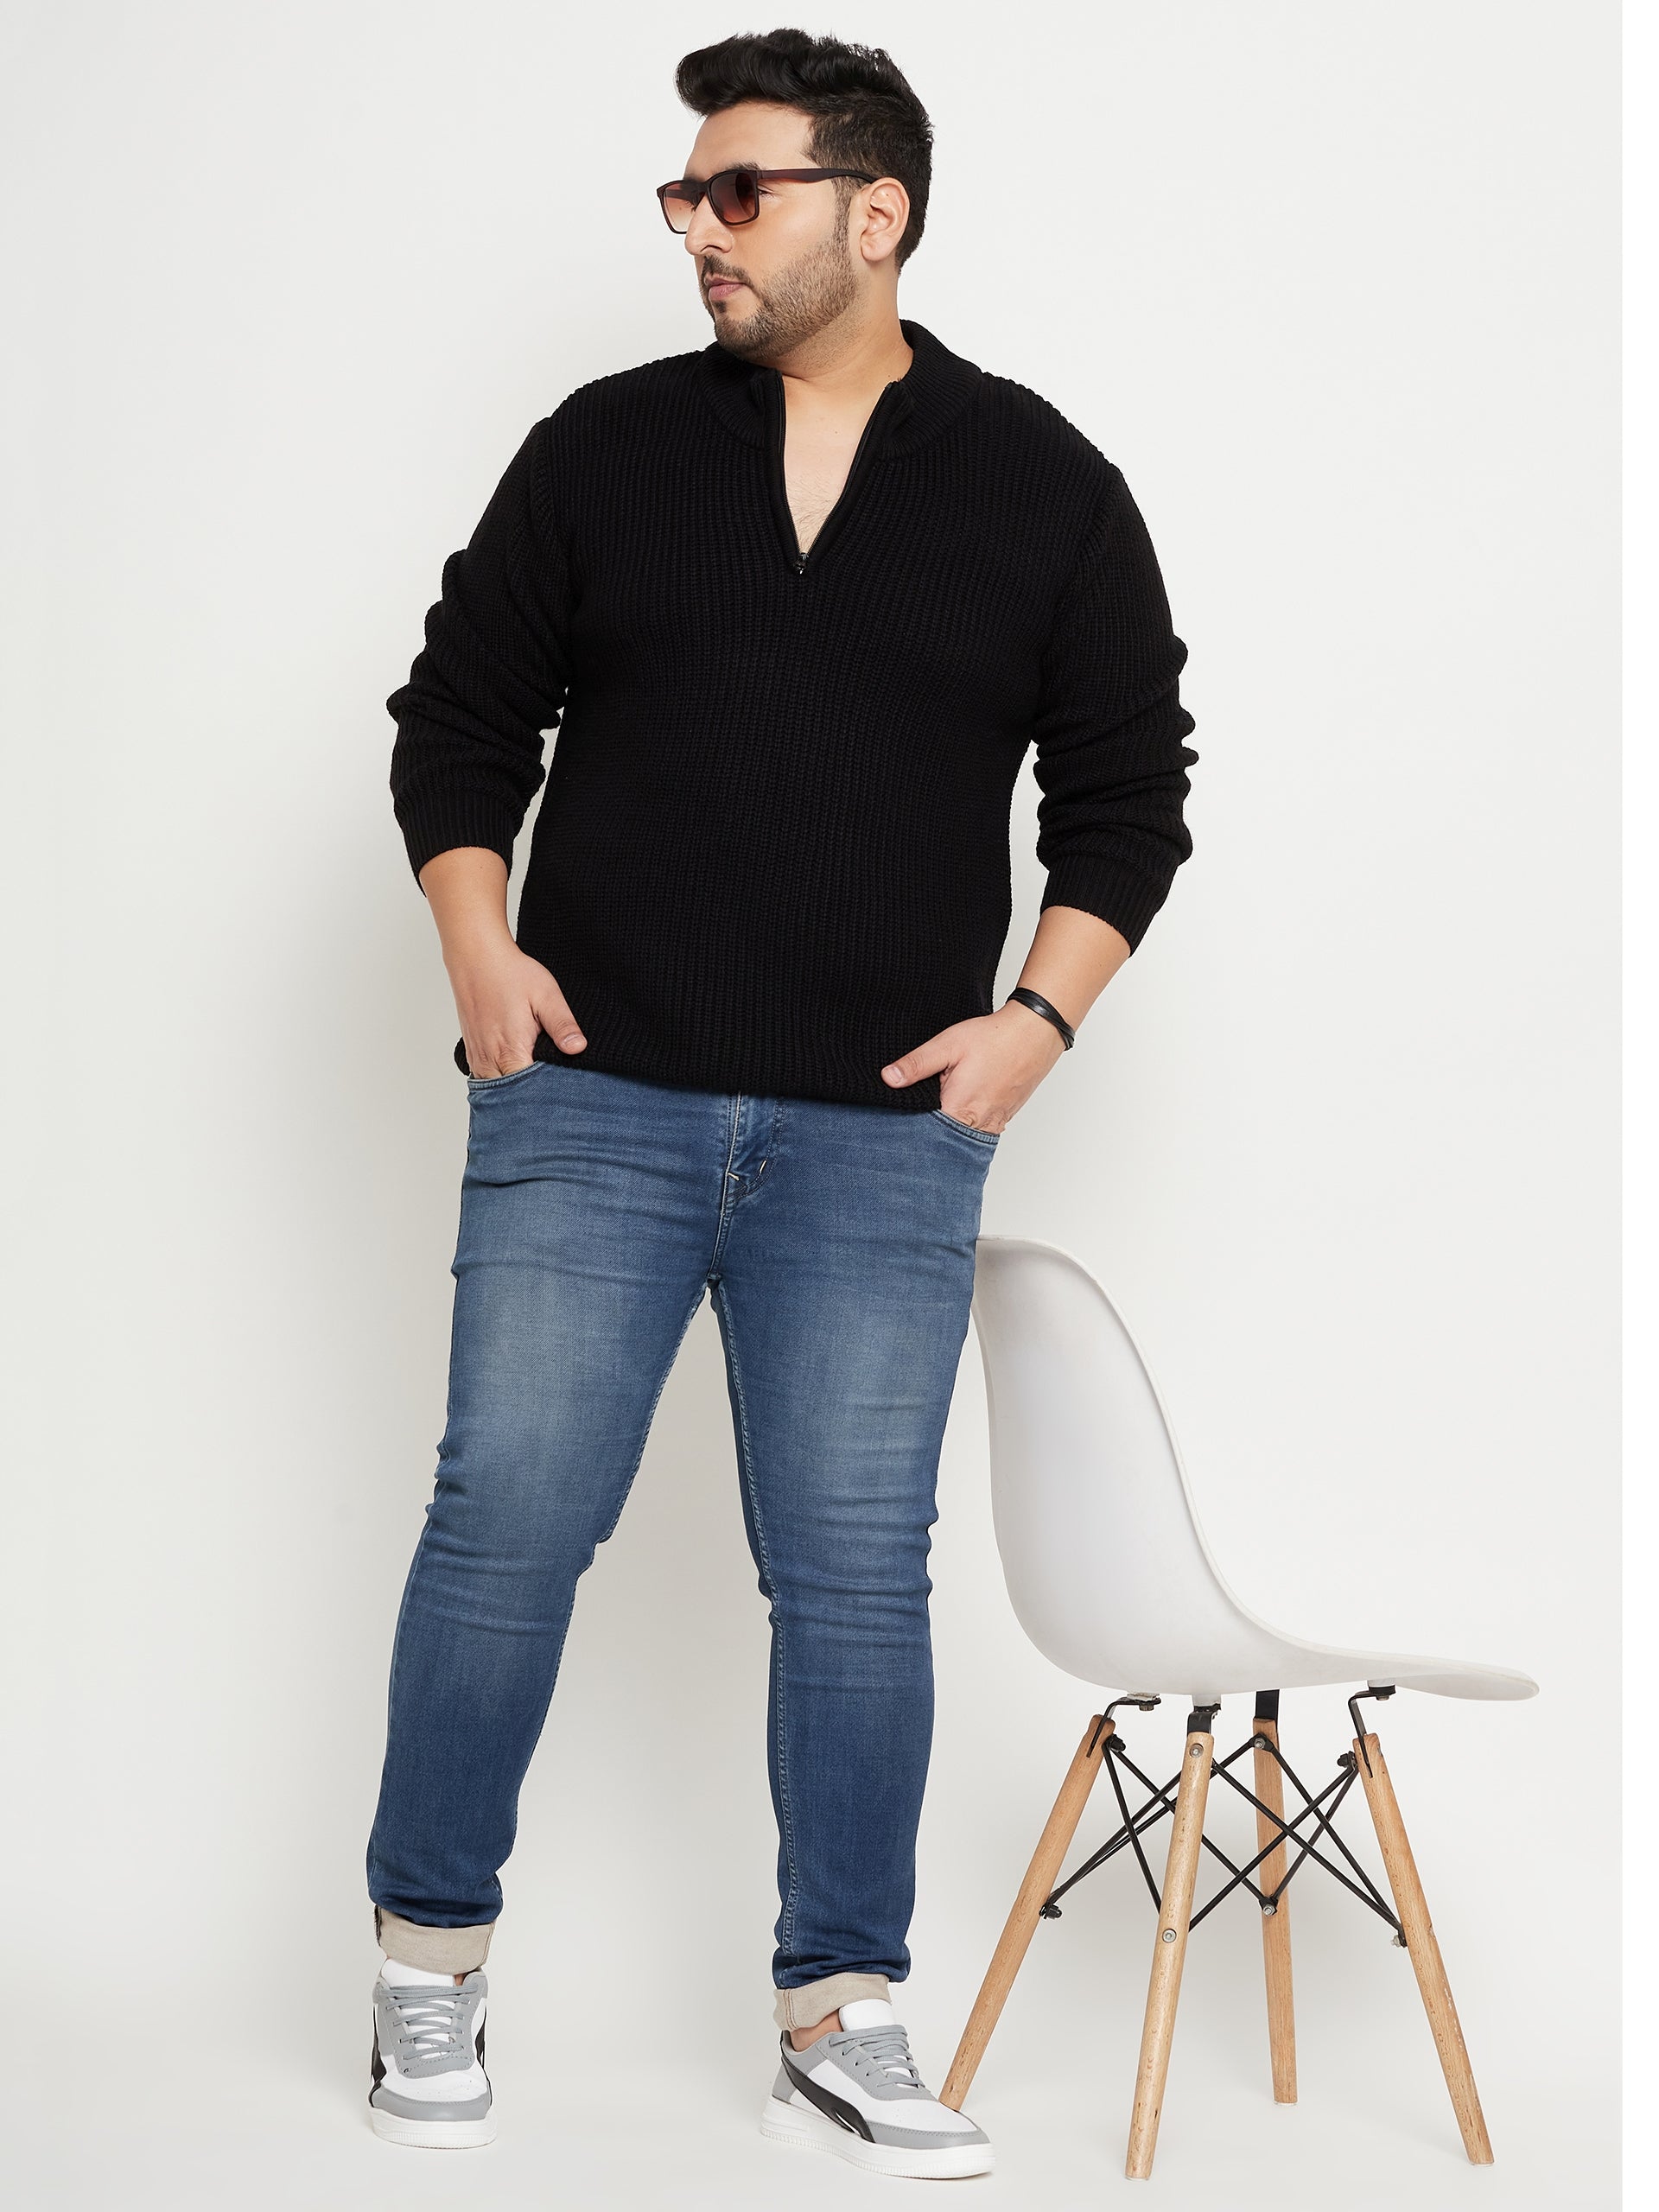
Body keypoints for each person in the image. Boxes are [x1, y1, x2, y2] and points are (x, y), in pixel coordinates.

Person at [365, 26, 1198, 2180]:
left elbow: (1130, 791)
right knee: (508, 1522)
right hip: (592, 1101)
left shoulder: (1041, 481)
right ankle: (427, 1962)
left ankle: (843, 2009)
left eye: (737, 191)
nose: (697, 229)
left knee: (852, 1575)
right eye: (686, 193)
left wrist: (1032, 1026)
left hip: (878, 1140)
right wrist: (479, 951)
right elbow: (460, 719)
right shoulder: (609, 446)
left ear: (875, 211)